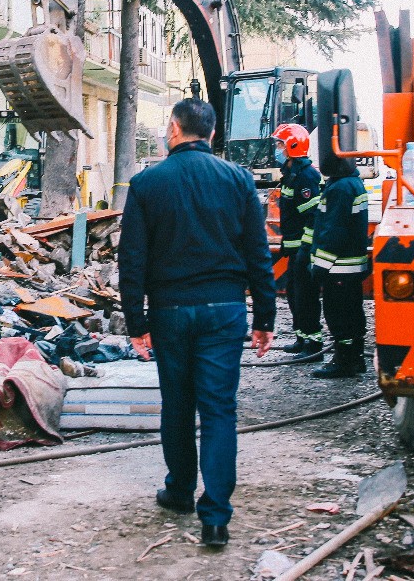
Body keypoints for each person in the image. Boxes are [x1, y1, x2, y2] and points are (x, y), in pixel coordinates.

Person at [119, 98, 276, 549]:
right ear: (209, 133)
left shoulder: (147, 184)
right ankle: (216, 518)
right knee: (219, 409)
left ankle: (180, 491)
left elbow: (133, 260)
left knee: (178, 404)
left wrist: (136, 321)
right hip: (225, 311)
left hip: (170, 312)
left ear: (174, 128)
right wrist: (263, 317)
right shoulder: (238, 180)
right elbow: (257, 255)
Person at [309, 151, 371, 378]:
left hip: (338, 268)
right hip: (351, 267)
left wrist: (320, 267)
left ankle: (344, 361)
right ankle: (356, 358)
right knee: (353, 312)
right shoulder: (353, 184)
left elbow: (333, 231)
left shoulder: (339, 189)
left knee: (338, 314)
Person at [273, 123, 324, 357]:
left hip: (305, 249)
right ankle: (302, 337)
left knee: (305, 296)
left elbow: (313, 217)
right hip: (295, 249)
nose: (277, 148)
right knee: (295, 295)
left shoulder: (305, 177)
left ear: (292, 145)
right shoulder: (291, 174)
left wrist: (306, 248)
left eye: (280, 144)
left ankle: (314, 344)